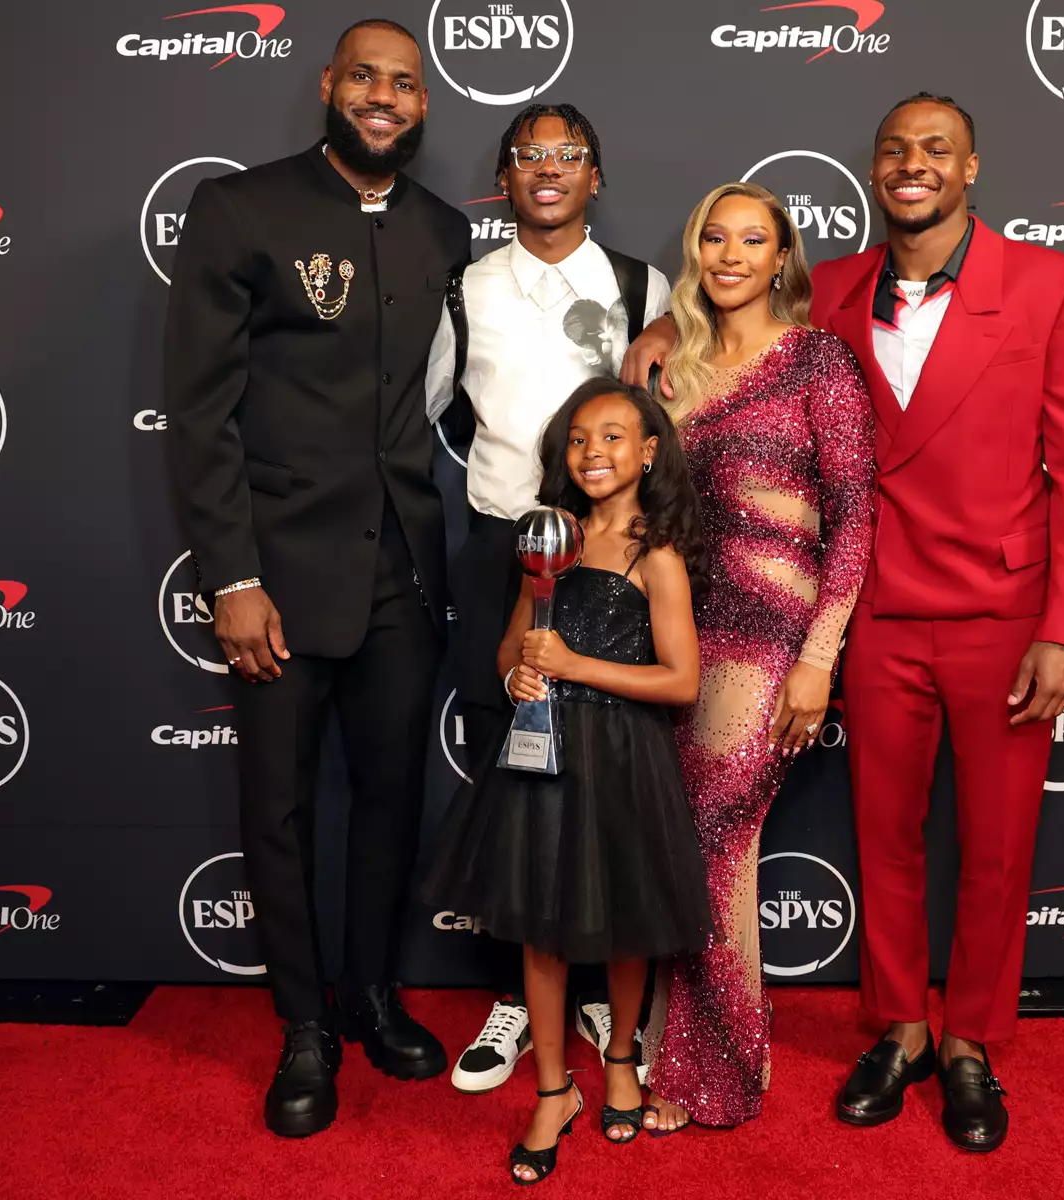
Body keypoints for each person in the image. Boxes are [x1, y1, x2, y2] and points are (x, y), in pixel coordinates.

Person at [624, 94, 1064, 1151]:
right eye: (896, 149)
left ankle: (970, 1045)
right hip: (876, 616)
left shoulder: (1054, 284)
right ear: (874, 170)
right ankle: (899, 1029)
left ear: (971, 166)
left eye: (935, 149)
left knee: (995, 846)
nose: (913, 165)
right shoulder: (835, 287)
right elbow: (736, 311)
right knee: (885, 838)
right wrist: (668, 324)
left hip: (1004, 613)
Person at [164, 19, 469, 1137]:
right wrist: (231, 576)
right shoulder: (241, 210)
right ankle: (303, 1027)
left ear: (422, 105)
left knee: (391, 800)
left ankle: (373, 994)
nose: (385, 97)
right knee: (281, 809)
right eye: (367, 78)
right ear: (330, 88)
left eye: (405, 83)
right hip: (279, 577)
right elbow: (197, 415)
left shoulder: (444, 230)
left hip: (402, 569)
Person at [423, 104, 671, 1093]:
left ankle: (606, 999)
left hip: (609, 558)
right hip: (504, 549)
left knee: (609, 773)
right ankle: (523, 1002)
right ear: (505, 176)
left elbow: (664, 410)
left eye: (569, 155)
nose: (549, 170)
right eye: (529, 156)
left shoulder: (638, 285)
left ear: (596, 176)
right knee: (511, 775)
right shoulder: (466, 288)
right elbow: (429, 413)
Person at [420, 379, 714, 1184]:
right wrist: (518, 675)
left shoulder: (655, 553)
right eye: (579, 440)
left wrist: (578, 667)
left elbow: (682, 681)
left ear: (649, 452)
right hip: (542, 758)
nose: (594, 454)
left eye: (615, 438)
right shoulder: (548, 540)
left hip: (623, 758)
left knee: (626, 922)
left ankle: (620, 1059)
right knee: (541, 929)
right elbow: (511, 652)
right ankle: (553, 1090)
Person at [636, 182, 876, 1131]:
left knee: (715, 841)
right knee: (690, 844)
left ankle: (716, 1071)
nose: (731, 256)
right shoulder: (675, 370)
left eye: (753, 241)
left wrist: (821, 656)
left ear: (783, 259)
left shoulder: (818, 358)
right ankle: (686, 1052)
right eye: (714, 239)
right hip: (681, 639)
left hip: (774, 643)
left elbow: (856, 514)